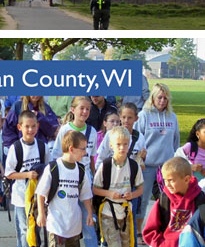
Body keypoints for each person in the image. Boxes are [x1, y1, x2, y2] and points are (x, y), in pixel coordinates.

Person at [135, 83, 181, 243]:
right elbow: (136, 137)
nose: (162, 101)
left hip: (166, 167)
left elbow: (176, 141)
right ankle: (139, 231)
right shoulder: (144, 115)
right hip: (147, 166)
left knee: (168, 199)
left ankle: (165, 230)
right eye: (159, 97)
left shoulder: (172, 117)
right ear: (153, 98)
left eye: (165, 98)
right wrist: (140, 157)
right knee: (143, 199)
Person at [51, 97, 98, 247]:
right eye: (81, 108)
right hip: (67, 177)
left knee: (88, 216)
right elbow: (56, 154)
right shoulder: (65, 130)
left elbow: (91, 158)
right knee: (68, 215)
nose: (85, 112)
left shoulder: (92, 131)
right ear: (73, 109)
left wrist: (93, 176)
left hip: (85, 177)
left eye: (87, 109)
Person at [36, 130, 95, 247]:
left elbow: (86, 195)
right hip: (56, 224)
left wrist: (89, 213)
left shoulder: (81, 170)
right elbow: (41, 193)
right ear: (71, 149)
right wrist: (41, 214)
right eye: (82, 149)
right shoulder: (53, 168)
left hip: (74, 225)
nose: (85, 152)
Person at [93, 126, 144, 247]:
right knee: (114, 244)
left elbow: (140, 189)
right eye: (118, 144)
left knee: (127, 244)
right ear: (111, 145)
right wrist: (110, 194)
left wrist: (132, 195)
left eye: (125, 144)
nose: (122, 148)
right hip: (108, 211)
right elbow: (95, 189)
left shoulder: (133, 166)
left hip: (126, 212)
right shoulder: (105, 165)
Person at [5, 110, 50, 247]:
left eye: (33, 126)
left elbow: (48, 170)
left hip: (38, 197)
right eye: (27, 126)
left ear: (37, 126)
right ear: (20, 127)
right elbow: (9, 173)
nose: (30, 130)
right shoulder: (16, 148)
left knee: (37, 229)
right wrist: (27, 175)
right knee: (24, 230)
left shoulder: (43, 146)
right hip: (21, 198)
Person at [143, 157, 205, 247]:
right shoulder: (164, 199)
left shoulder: (201, 199)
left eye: (171, 180)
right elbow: (150, 230)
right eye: (165, 180)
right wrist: (161, 244)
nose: (167, 184)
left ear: (186, 179)